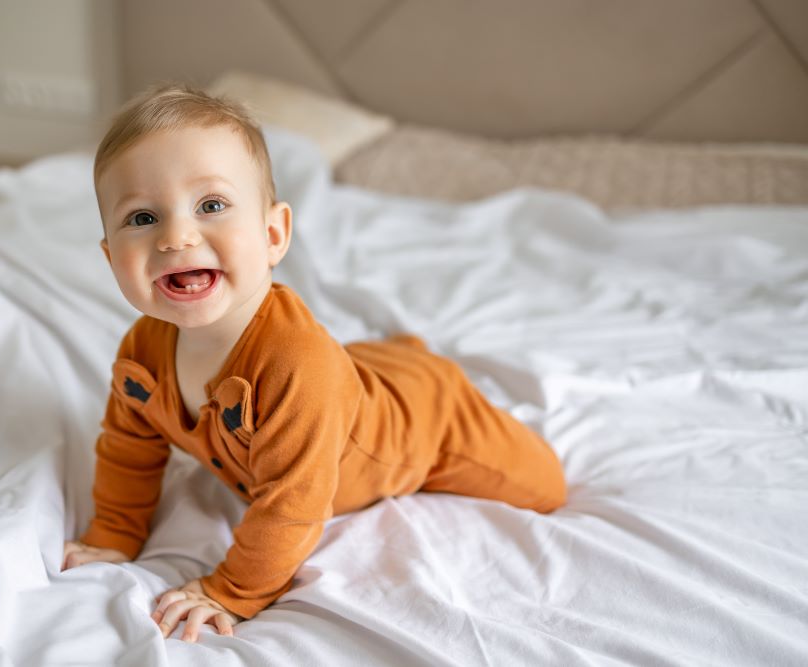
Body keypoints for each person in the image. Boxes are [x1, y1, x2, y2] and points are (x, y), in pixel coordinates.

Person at [62, 84, 567, 643]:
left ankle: (414, 362)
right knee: (356, 371)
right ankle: (399, 353)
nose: (176, 237)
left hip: (424, 420)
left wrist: (232, 590)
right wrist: (114, 532)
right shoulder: (143, 351)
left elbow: (291, 507)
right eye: (141, 217)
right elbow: (129, 450)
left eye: (210, 205)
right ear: (111, 257)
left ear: (273, 234)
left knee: (545, 486)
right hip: (348, 376)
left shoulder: (297, 367)